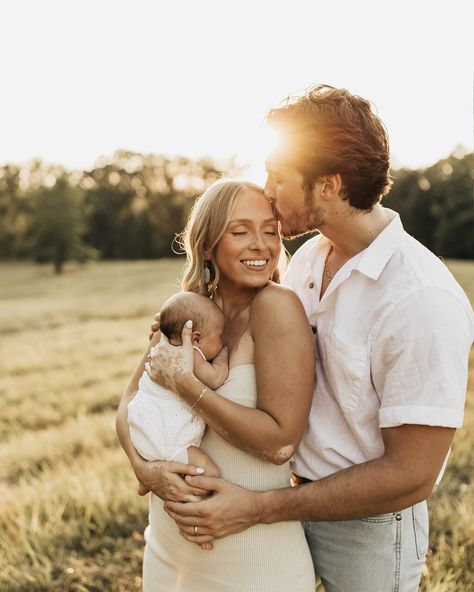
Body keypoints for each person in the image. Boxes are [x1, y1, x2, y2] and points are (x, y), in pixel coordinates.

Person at [152, 85, 474, 592]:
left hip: (365, 530)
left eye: (280, 178)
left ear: (328, 185)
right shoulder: (305, 260)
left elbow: (412, 473)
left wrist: (260, 509)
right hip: (287, 501)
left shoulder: (421, 298)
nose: (269, 191)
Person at [116, 179, 317, 591]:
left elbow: (280, 442)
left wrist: (190, 388)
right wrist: (146, 470)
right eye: (240, 231)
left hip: (252, 558)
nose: (261, 244)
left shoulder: (278, 307)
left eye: (270, 230)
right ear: (208, 245)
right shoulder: (188, 309)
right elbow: (130, 404)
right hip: (170, 549)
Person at [127, 291, 227, 477]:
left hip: (143, 436)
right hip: (170, 440)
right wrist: (224, 355)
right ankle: (195, 500)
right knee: (211, 472)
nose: (223, 340)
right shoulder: (190, 354)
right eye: (220, 336)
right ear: (196, 338)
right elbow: (215, 378)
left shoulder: (165, 347)